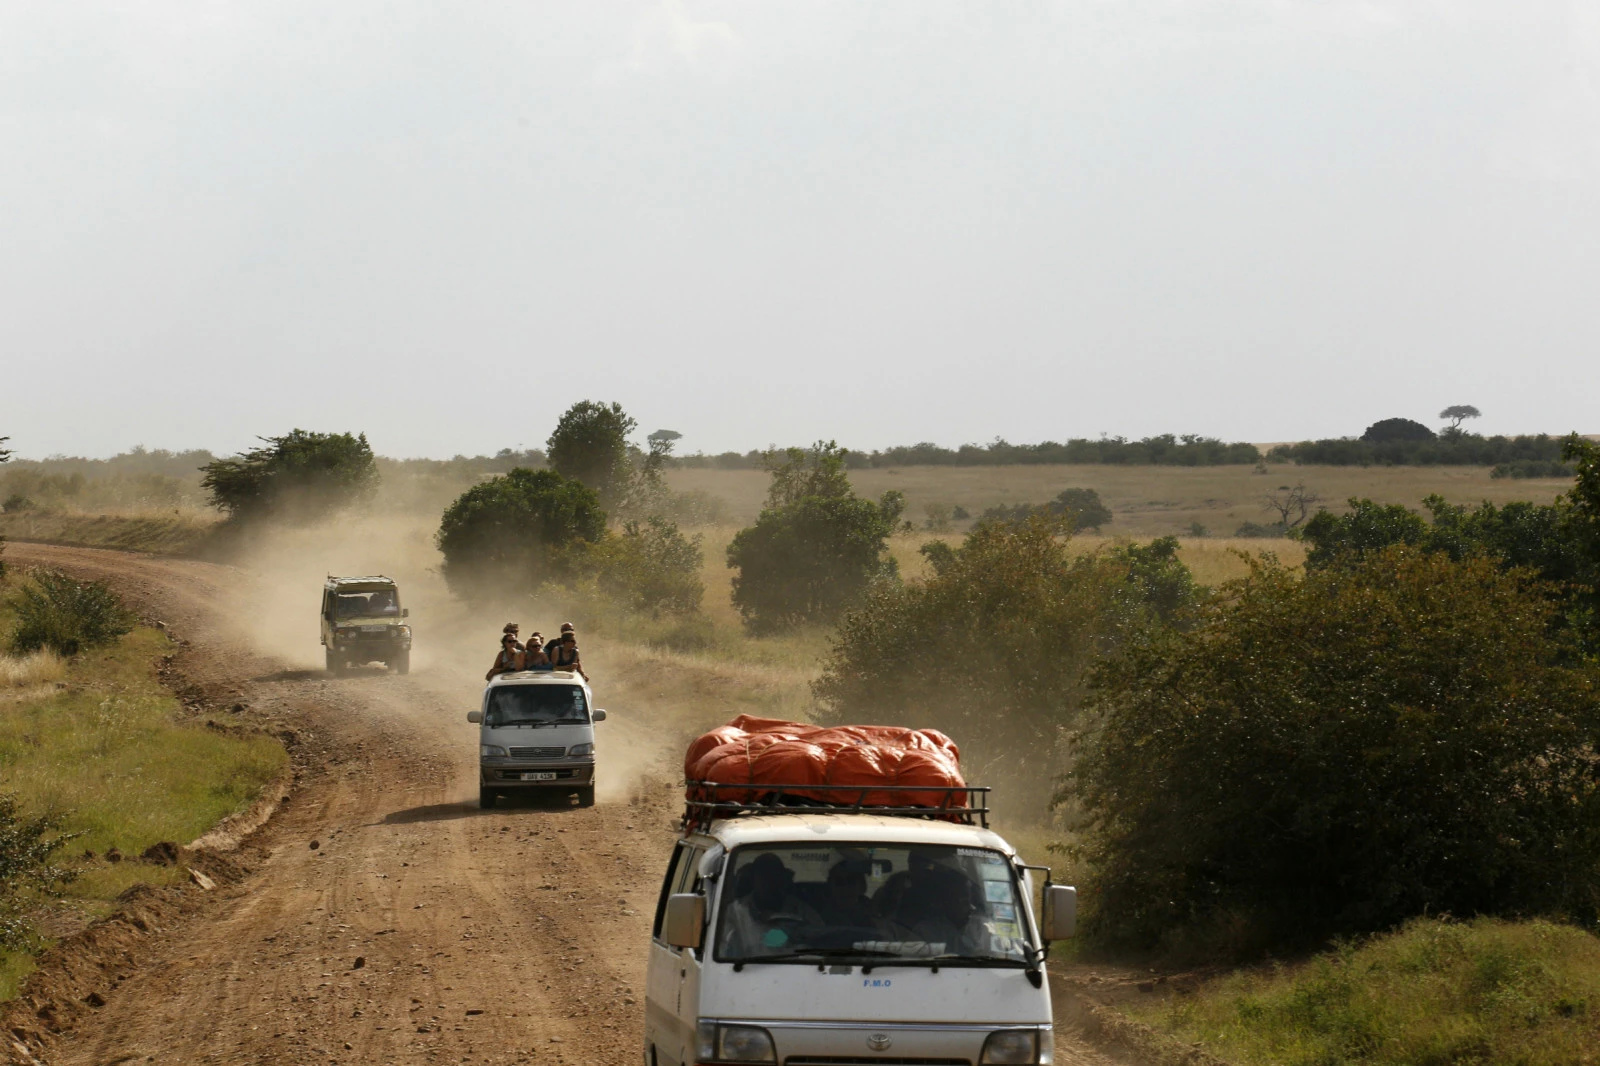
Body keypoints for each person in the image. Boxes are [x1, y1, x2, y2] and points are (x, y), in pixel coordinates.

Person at [720, 853, 821, 956]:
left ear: (782, 879)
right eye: (764, 876)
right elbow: (724, 947)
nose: (769, 882)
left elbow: (820, 938)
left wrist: (793, 932)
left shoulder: (802, 910)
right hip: (746, 968)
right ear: (753, 879)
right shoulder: (735, 911)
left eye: (775, 876)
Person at [909, 868, 991, 956]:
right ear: (943, 899)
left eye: (966, 895)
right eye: (958, 895)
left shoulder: (983, 927)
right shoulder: (925, 930)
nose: (965, 900)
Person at [815, 861, 877, 930]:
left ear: (862, 886)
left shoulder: (875, 914)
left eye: (851, 881)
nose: (845, 888)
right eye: (839, 882)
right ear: (830, 886)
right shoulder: (817, 917)